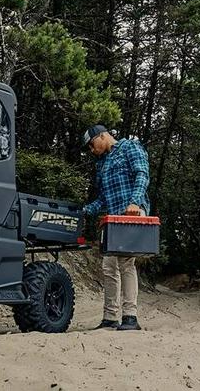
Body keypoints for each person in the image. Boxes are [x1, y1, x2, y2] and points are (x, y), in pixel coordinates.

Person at [82, 125, 150, 331]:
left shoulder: (130, 147)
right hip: (113, 219)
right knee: (108, 266)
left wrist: (135, 202)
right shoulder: (101, 164)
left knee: (125, 262)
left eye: (92, 145)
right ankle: (110, 317)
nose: (92, 151)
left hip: (132, 213)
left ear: (102, 136)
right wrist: (84, 210)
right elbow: (102, 199)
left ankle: (130, 317)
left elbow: (142, 174)